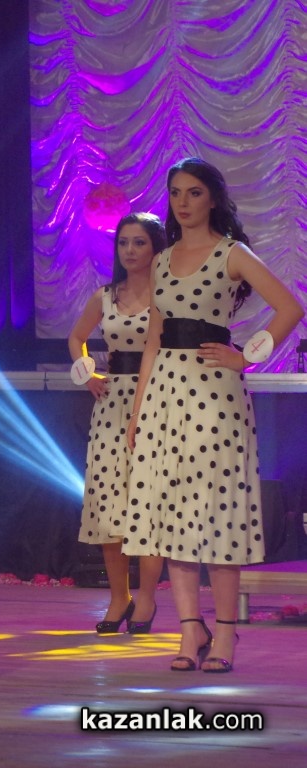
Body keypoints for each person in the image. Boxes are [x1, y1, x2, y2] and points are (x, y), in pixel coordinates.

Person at [126, 158, 303, 672]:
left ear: (213, 199)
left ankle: (225, 633)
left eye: (194, 192)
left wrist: (247, 356)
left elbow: (291, 307)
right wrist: (138, 411)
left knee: (219, 515)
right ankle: (190, 630)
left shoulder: (232, 253)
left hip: (214, 395)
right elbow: (154, 339)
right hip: (164, 394)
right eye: (175, 192)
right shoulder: (161, 260)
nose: (183, 202)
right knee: (171, 517)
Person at [68, 213, 167, 635]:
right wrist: (88, 374)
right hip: (112, 403)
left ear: (156, 247)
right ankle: (118, 597)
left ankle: (147, 597)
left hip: (159, 400)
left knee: (150, 501)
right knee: (110, 502)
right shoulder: (105, 295)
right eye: (123, 242)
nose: (129, 250)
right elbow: (76, 337)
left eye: (139, 242)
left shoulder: (170, 294)